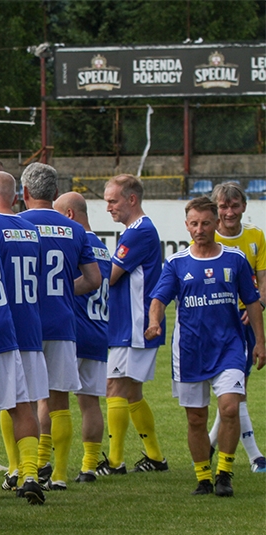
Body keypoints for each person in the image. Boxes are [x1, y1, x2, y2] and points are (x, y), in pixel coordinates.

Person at [146, 196, 265, 496]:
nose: (200, 229)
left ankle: (224, 473)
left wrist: (261, 342)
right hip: (189, 351)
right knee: (196, 418)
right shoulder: (176, 262)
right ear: (187, 226)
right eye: (194, 223)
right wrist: (154, 322)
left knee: (229, 408)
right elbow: (159, 299)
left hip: (229, 347)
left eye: (206, 223)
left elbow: (252, 302)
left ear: (216, 223)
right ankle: (203, 478)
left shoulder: (234, 259)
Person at [20, 164, 100, 491]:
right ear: (55, 194)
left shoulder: (16, 224)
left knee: (22, 399)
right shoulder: (74, 229)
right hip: (62, 321)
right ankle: (60, 474)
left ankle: (28, 467)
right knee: (59, 400)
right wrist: (67, 289)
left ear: (24, 193)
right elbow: (94, 279)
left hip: (26, 321)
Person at [0, 171, 45, 504]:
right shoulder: (31, 231)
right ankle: (29, 472)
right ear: (16, 195)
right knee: (23, 404)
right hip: (29, 325)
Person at [97, 174, 167, 476]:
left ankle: (115, 462)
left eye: (113, 200)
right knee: (131, 392)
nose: (108, 207)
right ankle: (155, 457)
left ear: (131, 199)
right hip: (129, 324)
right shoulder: (137, 230)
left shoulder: (139, 232)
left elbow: (110, 276)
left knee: (114, 387)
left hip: (133, 325)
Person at [207, 182, 266, 473]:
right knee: (233, 389)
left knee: (235, 389)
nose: (229, 212)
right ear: (216, 209)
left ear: (243, 206)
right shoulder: (208, 234)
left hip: (246, 320)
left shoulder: (256, 236)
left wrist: (259, 305)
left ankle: (211, 445)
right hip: (217, 322)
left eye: (234, 205)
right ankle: (255, 456)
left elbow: (262, 280)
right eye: (223, 206)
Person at [54, 192, 111, 483]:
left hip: (74, 330)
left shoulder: (74, 241)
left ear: (70, 215)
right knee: (90, 403)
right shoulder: (102, 247)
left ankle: (50, 467)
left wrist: (59, 289)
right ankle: (89, 466)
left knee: (53, 400)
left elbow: (80, 282)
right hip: (99, 331)